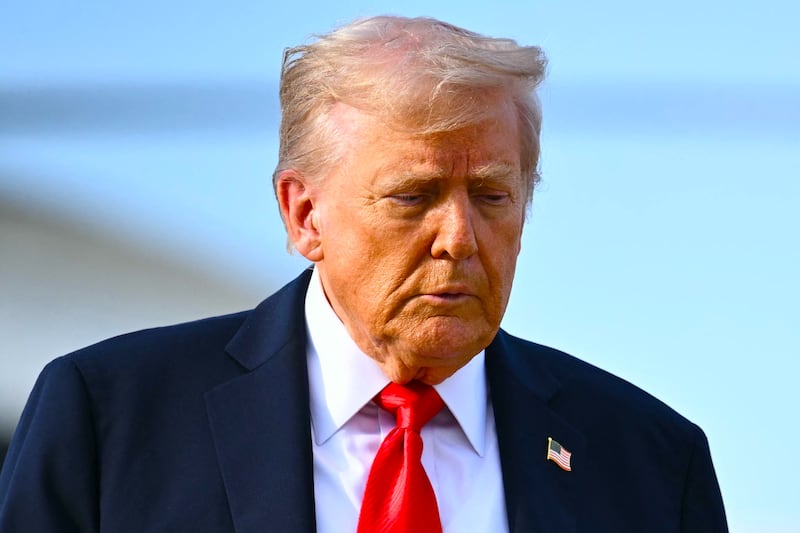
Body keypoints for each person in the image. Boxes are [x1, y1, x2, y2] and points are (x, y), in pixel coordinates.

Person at [0, 15, 727, 533]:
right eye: (413, 196)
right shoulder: (111, 421)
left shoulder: (651, 462)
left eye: (493, 196)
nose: (459, 237)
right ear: (304, 214)